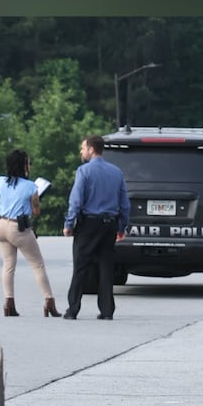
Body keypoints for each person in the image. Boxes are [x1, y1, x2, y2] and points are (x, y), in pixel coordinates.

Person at [0, 150, 57, 318]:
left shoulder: (1, 181)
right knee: (37, 265)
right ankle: (49, 301)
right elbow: (36, 211)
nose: (29, 166)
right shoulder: (31, 187)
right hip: (18, 227)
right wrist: (35, 202)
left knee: (8, 265)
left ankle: (9, 303)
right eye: (28, 163)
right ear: (24, 166)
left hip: (0, 226)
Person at [61, 134, 131, 320]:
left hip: (88, 224)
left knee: (81, 267)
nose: (81, 151)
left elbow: (76, 201)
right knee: (106, 267)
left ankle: (73, 310)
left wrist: (69, 224)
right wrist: (122, 226)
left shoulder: (83, 171)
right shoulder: (116, 172)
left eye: (83, 148)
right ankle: (107, 310)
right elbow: (125, 204)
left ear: (91, 149)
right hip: (109, 224)